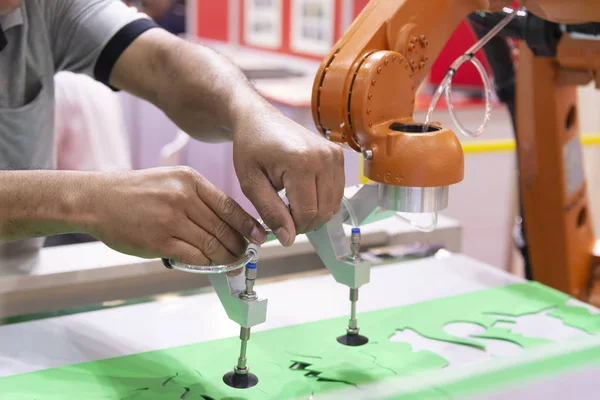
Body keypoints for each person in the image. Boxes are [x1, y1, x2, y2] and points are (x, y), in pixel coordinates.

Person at [0, 0, 345, 266]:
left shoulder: (42, 7)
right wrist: (89, 202)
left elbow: (164, 63)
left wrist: (250, 112)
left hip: (22, 283)